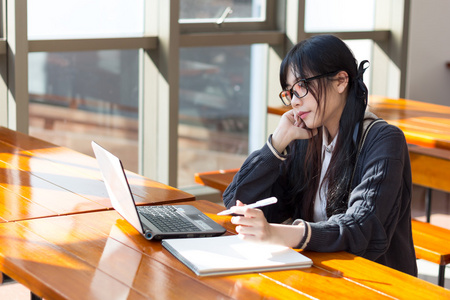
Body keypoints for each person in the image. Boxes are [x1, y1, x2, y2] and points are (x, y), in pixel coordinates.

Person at [222, 34, 417, 276]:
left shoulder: (383, 140)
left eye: (302, 87)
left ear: (340, 81)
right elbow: (235, 201)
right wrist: (277, 143)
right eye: (289, 93)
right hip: (319, 270)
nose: (294, 101)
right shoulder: (306, 138)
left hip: (374, 281)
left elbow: (361, 228)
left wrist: (279, 233)